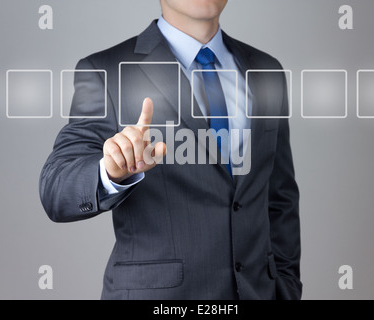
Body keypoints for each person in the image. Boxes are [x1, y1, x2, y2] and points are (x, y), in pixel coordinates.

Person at [40, 0, 302, 300]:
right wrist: (110, 171)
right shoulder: (107, 71)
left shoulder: (267, 70)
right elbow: (56, 189)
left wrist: (286, 286)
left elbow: (279, 197)